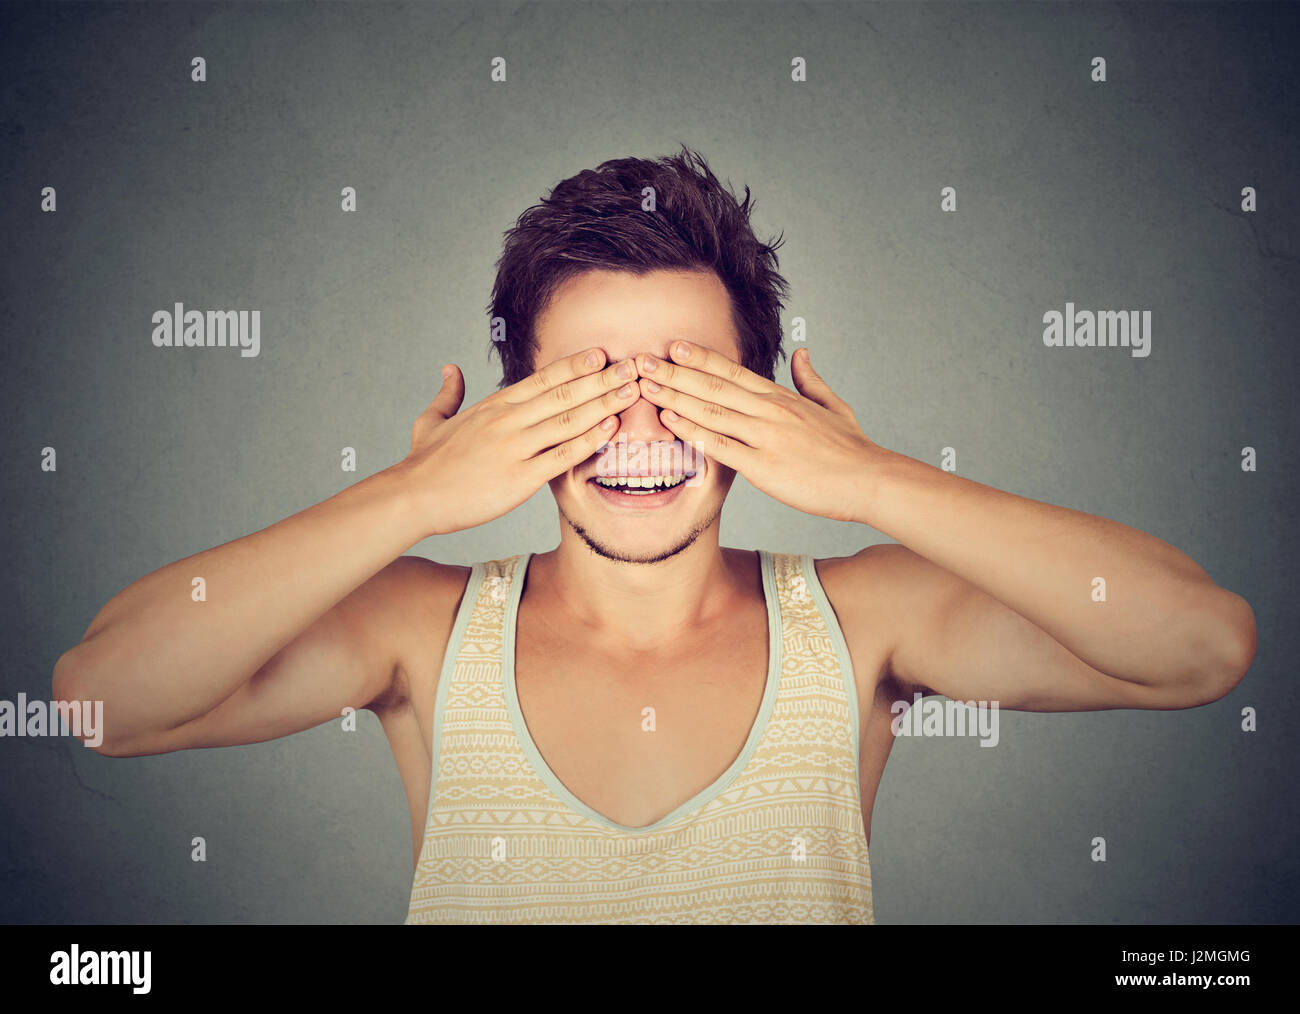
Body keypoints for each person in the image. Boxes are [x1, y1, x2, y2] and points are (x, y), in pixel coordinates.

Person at [52, 147, 1257, 924]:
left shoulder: (864, 622)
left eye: (686, 380)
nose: (638, 424)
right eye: (583, 383)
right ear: (512, 406)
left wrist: (874, 481)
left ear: (765, 404)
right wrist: (409, 498)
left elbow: (1200, 644)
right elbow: (99, 699)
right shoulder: (421, 631)